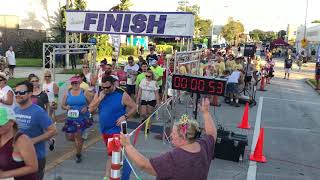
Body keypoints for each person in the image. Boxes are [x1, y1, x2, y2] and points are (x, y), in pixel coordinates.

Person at [120, 98, 217, 180]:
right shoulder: (203, 146)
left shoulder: (175, 157)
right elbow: (212, 134)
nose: (170, 135)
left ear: (182, 137)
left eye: (174, 133)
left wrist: (127, 145)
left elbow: (145, 165)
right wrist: (206, 113)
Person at [88, 76, 137, 179]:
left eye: (108, 87)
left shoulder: (121, 94)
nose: (105, 89)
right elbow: (91, 109)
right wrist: (100, 98)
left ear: (114, 84)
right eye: (103, 87)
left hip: (116, 130)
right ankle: (121, 174)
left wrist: (125, 116)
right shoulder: (100, 93)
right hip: (104, 130)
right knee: (115, 155)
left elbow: (134, 107)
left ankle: (109, 177)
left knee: (113, 154)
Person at [14, 81, 57, 180]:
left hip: (35, 157)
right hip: (18, 157)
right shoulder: (15, 110)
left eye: (21, 92)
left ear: (30, 93)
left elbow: (53, 130)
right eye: (16, 92)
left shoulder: (38, 111)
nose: (18, 95)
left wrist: (33, 141)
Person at [0, 107, 38, 180]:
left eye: (0, 124)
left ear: (12, 122)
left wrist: (5, 174)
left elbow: (33, 167)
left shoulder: (22, 140)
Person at [61, 76, 93, 163]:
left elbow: (92, 103)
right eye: (73, 83)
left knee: (77, 136)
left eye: (76, 83)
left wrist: (86, 107)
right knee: (69, 137)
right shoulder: (67, 93)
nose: (75, 84)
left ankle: (78, 154)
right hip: (71, 118)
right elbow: (62, 105)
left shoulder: (84, 92)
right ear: (71, 84)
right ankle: (81, 140)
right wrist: (66, 107)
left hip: (82, 118)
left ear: (79, 83)